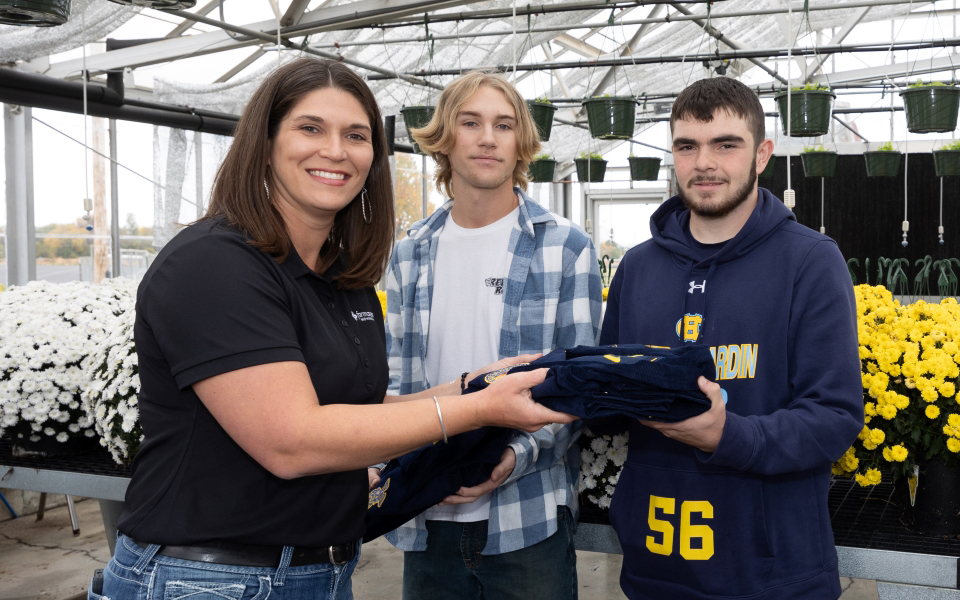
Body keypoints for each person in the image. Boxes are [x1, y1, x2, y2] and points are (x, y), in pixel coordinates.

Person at [93, 57, 575, 600]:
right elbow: (292, 440)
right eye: (310, 128)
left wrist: (479, 383)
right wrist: (480, 408)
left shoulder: (340, 278)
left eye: (356, 135)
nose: (336, 150)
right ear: (265, 141)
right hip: (210, 577)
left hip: (316, 572)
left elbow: (353, 412)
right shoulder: (215, 263)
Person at [599, 76, 864, 599]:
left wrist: (727, 436)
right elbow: (611, 400)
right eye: (687, 146)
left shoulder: (810, 261)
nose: (704, 163)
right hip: (657, 569)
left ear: (762, 154)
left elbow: (834, 416)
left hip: (774, 575)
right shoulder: (638, 267)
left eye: (726, 144)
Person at [382, 70, 602, 600]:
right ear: (444, 138)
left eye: (503, 125)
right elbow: (393, 381)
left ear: (520, 142)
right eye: (471, 122)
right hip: (426, 512)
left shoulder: (565, 247)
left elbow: (578, 386)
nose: (487, 138)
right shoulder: (409, 252)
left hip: (527, 519)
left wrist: (511, 460)